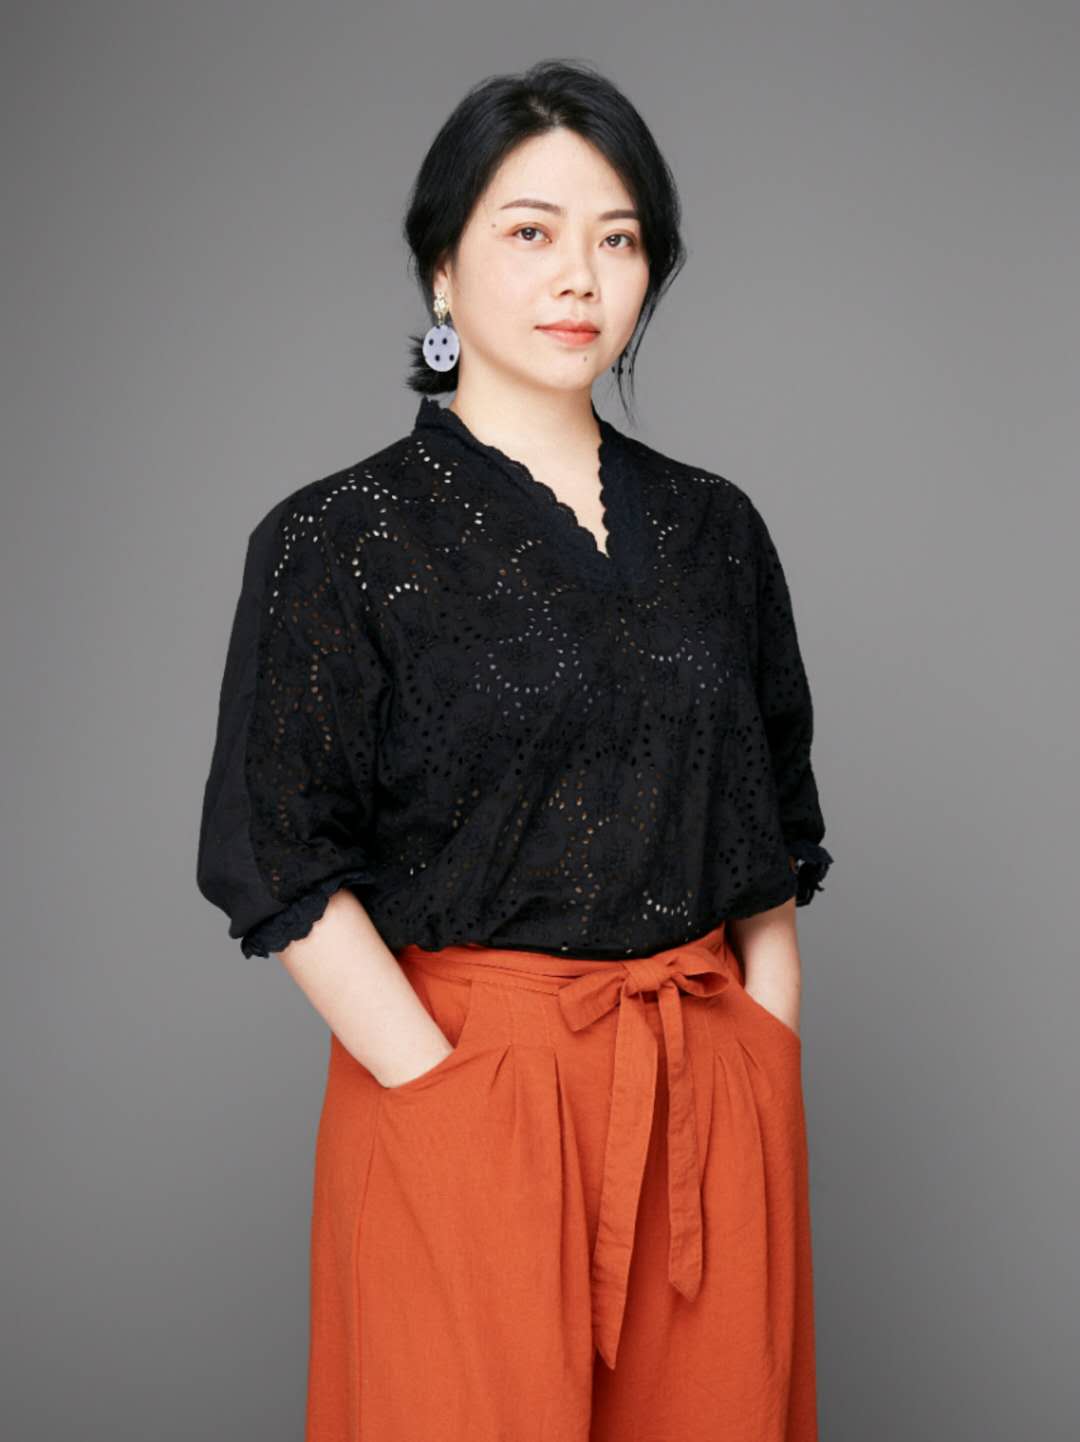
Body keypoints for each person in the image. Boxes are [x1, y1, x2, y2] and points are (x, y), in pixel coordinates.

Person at [196, 57, 834, 1442]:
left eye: (620, 239)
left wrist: (763, 1056)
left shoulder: (719, 531)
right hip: (462, 1082)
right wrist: (440, 1091)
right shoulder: (341, 536)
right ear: (442, 268)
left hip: (705, 1096)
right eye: (532, 231)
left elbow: (775, 831)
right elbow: (275, 850)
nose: (580, 278)